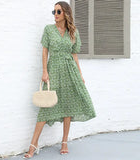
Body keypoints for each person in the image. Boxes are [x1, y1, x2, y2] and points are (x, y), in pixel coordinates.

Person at [23, 1, 96, 158]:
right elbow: (45, 51)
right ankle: (33, 145)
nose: (55, 15)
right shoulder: (49, 30)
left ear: (66, 13)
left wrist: (80, 74)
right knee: (45, 108)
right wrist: (44, 71)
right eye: (54, 12)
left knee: (67, 107)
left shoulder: (73, 32)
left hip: (70, 71)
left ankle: (64, 142)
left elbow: (74, 54)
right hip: (54, 70)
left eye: (58, 12)